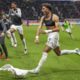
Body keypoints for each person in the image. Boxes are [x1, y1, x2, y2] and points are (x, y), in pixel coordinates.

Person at [28, 3, 80, 73]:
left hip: (54, 35)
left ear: (48, 9)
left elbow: (58, 29)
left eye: (43, 8)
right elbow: (39, 27)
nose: (42, 10)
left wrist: (46, 31)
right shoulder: (43, 18)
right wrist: (37, 37)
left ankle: (37, 69)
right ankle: (75, 51)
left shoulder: (54, 17)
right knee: (59, 53)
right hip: (50, 35)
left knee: (45, 50)